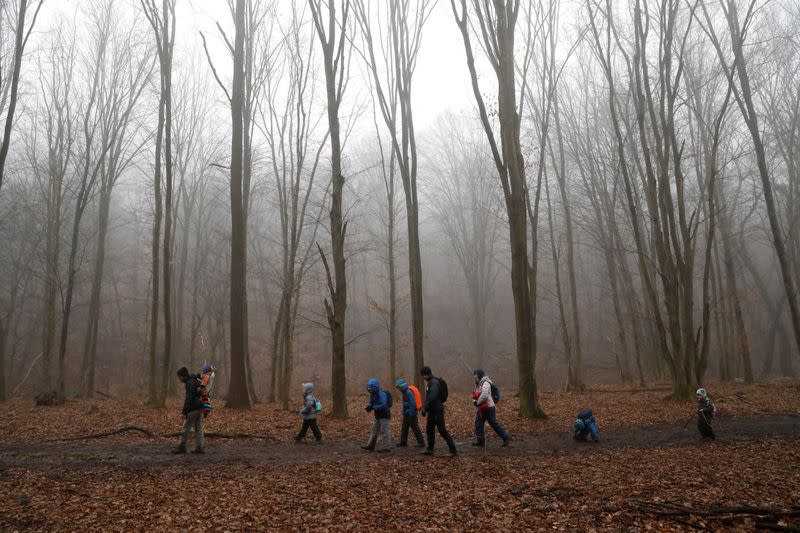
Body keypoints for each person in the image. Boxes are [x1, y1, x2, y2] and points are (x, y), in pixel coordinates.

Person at [419, 366, 457, 457]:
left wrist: (425, 407)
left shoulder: (434, 383)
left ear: (426, 374)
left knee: (442, 430)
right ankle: (430, 449)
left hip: (437, 411)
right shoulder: (430, 382)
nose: (422, 378)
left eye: (423, 375)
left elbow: (432, 397)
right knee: (429, 430)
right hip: (432, 411)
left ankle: (453, 450)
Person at [471, 368, 510, 447]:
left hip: (489, 407)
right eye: (474, 374)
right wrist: (474, 401)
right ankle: (481, 441)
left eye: (476, 374)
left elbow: (484, 395)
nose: (475, 376)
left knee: (493, 424)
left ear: (480, 374)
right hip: (481, 407)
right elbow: (476, 394)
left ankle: (506, 437)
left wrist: (477, 402)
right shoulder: (478, 384)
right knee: (478, 424)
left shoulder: (486, 383)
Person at [173, 367, 205, 454]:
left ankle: (181, 447)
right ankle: (200, 447)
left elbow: (189, 398)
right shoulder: (194, 381)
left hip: (194, 408)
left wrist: (184, 411)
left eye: (179, 377)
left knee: (186, 427)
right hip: (200, 406)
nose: (179, 379)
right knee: (198, 427)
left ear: (183, 376)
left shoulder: (189, 383)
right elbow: (198, 393)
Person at [361, 378, 392, 453]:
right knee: (374, 431)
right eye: (369, 389)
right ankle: (370, 445)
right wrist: (369, 407)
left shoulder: (382, 394)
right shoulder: (372, 394)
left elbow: (384, 405)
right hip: (377, 415)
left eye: (371, 388)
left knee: (385, 431)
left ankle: (386, 447)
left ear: (375, 387)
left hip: (384, 414)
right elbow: (371, 403)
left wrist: (374, 407)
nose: (370, 390)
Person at [395, 378, 425, 447]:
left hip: (412, 413)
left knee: (415, 428)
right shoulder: (404, 392)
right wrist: (404, 412)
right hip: (407, 413)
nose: (398, 389)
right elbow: (404, 404)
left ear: (401, 386)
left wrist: (411, 413)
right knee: (404, 427)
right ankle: (403, 442)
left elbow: (412, 403)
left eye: (398, 387)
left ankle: (421, 442)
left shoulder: (408, 392)